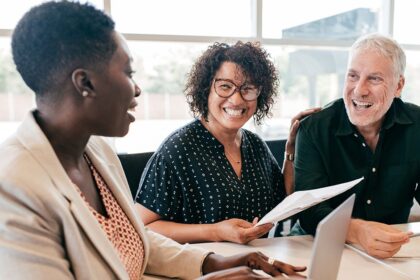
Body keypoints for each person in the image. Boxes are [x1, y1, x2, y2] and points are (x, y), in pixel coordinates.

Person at [0, 2, 307, 279]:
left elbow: (137, 240)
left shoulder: (97, 153)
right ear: (86, 83)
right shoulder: (13, 186)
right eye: (127, 72)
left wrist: (216, 263)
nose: (137, 89)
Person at [136, 41, 319, 244]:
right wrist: (215, 232)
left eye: (248, 89)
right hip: (202, 268)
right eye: (225, 86)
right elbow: (143, 227)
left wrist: (291, 148)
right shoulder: (177, 150)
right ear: (206, 90)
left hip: (257, 263)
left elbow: (285, 199)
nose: (237, 100)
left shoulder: (255, 145)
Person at [294, 33, 420, 259]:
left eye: (374, 79)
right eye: (353, 76)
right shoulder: (314, 129)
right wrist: (357, 231)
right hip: (315, 246)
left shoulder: (417, 126)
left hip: (391, 251)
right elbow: (309, 210)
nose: (359, 90)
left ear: (398, 85)